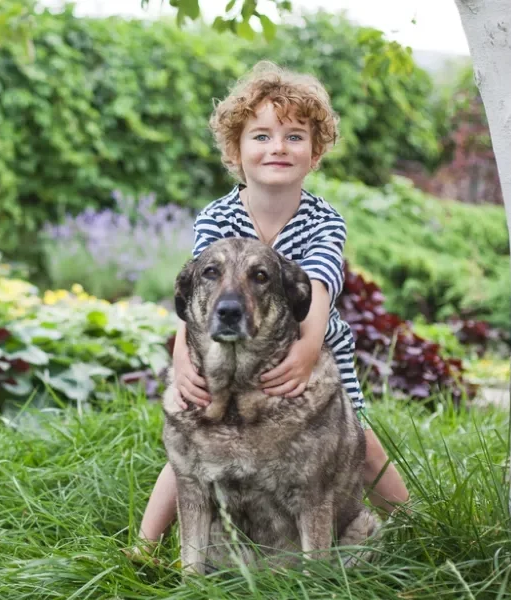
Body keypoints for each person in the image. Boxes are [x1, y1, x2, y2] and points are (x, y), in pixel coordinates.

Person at [130, 60, 409, 558]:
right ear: (236, 151)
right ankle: (145, 548)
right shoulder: (216, 216)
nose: (277, 148)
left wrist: (304, 357)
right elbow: (197, 296)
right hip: (224, 352)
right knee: (192, 447)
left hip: (313, 344)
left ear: (316, 152)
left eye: (294, 136)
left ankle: (416, 526)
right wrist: (181, 359)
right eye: (261, 136)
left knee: (354, 443)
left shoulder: (324, 222)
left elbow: (319, 289)